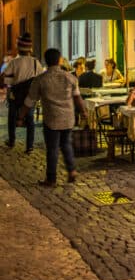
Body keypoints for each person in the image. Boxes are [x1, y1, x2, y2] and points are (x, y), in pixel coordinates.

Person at [18, 48, 87, 186]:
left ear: (46, 61)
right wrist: (84, 111)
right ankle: (72, 170)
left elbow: (29, 101)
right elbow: (77, 97)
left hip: (52, 119)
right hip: (68, 118)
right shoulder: (70, 78)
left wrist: (20, 117)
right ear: (60, 60)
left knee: (53, 148)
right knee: (66, 144)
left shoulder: (40, 80)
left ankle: (51, 178)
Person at [3, 33, 44, 153]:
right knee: (30, 119)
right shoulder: (36, 63)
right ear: (30, 49)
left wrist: (12, 81)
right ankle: (29, 146)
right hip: (30, 96)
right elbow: (40, 78)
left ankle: (11, 140)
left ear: (19, 47)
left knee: (12, 117)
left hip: (15, 95)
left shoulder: (13, 62)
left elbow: (6, 78)